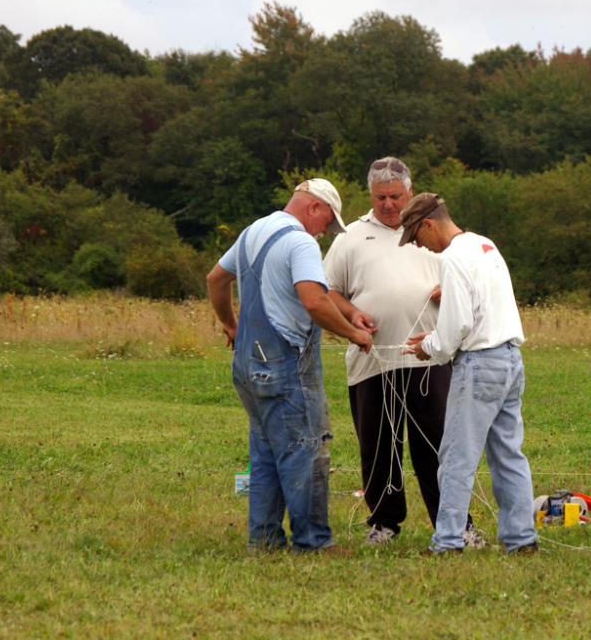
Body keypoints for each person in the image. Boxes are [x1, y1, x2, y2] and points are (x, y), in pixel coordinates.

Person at [207, 178, 373, 554]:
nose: (325, 233)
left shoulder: (254, 230)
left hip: (247, 366)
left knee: (266, 453)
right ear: (313, 207)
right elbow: (314, 302)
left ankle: (264, 540)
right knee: (307, 449)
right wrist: (354, 334)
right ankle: (313, 541)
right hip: (285, 366)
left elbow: (216, 279)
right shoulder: (300, 242)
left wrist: (231, 324)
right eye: (327, 223)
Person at [324, 157, 479, 548]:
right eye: (381, 197)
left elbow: (470, 278)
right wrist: (352, 313)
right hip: (372, 361)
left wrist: (451, 290)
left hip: (431, 359)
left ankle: (455, 523)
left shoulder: (435, 233)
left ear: (410, 192)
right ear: (370, 196)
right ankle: (384, 523)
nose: (389, 204)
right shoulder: (350, 238)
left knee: (437, 444)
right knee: (377, 445)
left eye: (396, 196)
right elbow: (328, 293)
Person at [401, 193, 538, 555]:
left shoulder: (451, 258)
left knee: (456, 459)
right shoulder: (484, 245)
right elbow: (479, 302)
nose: (421, 247)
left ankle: (446, 542)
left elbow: (454, 331)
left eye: (417, 237)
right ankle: (522, 540)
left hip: (479, 364)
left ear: (428, 225)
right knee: (509, 455)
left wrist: (427, 346)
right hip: (511, 361)